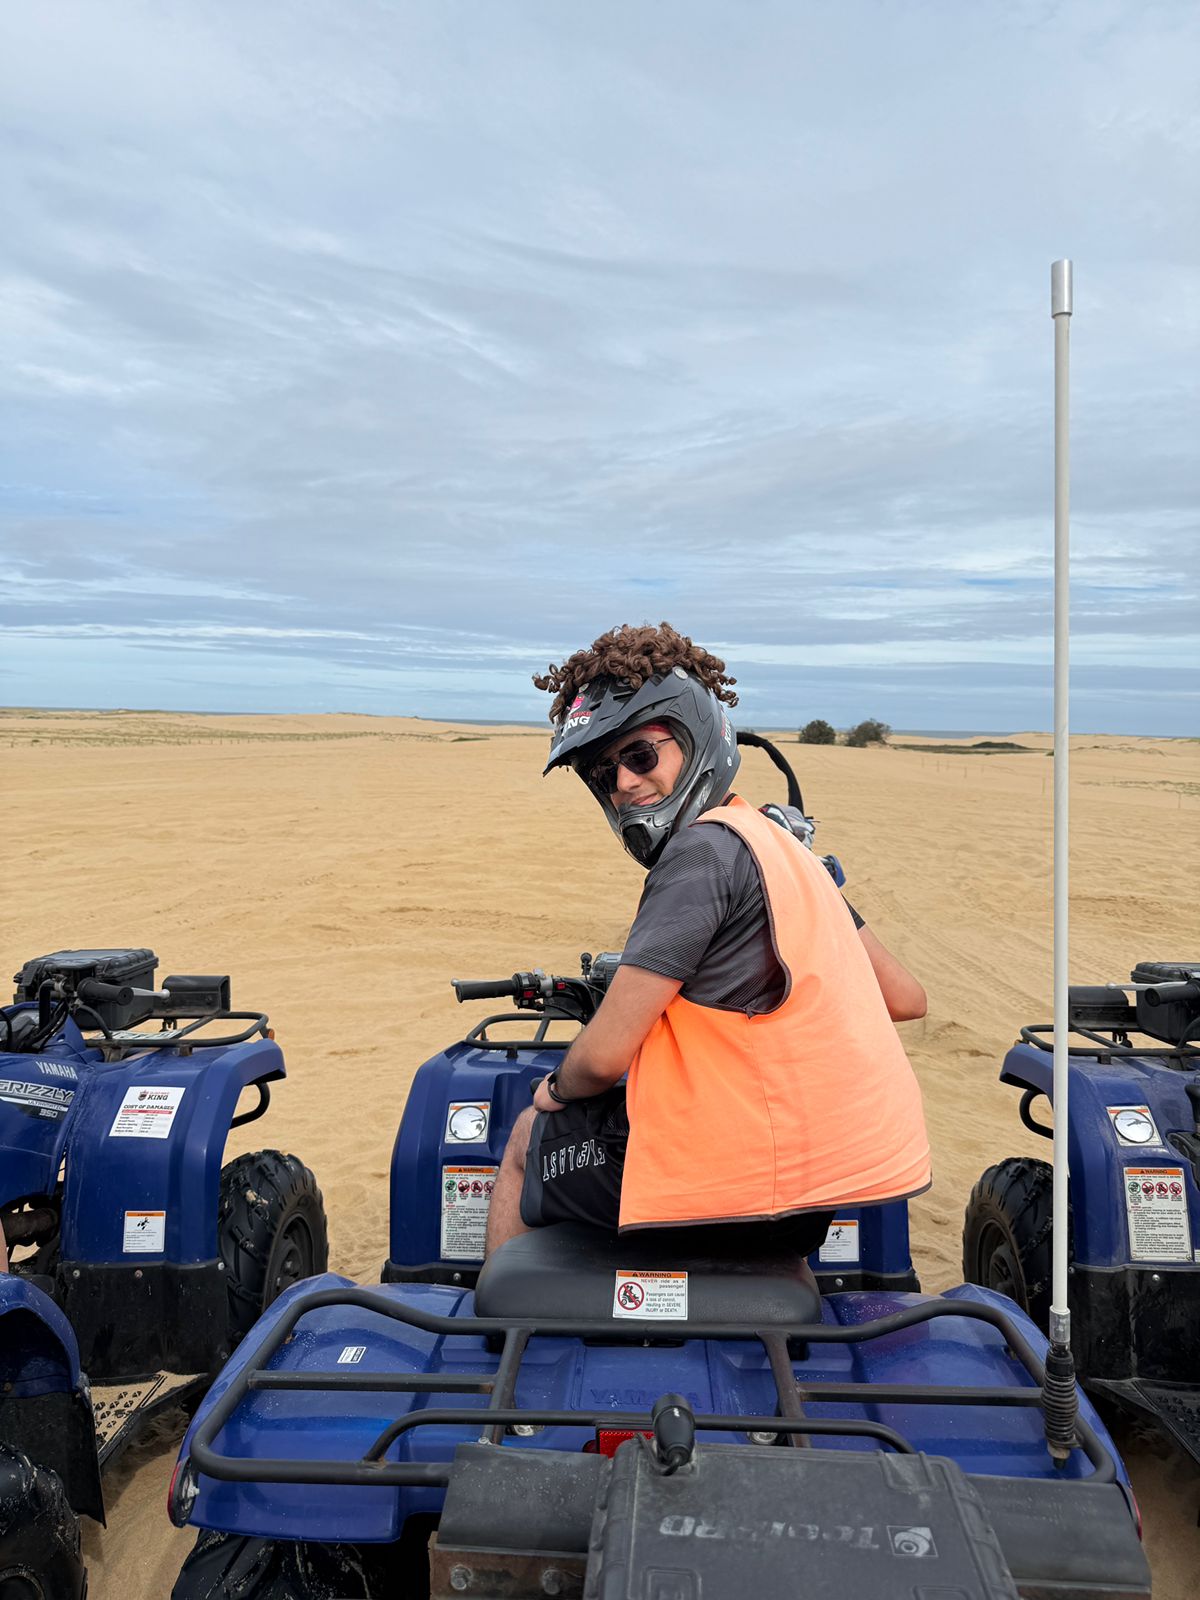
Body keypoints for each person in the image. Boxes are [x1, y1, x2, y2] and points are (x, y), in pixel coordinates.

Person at [485, 622, 930, 1256]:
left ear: (696, 740)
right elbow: (905, 997)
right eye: (602, 773)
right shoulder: (781, 845)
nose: (624, 785)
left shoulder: (699, 854)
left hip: (731, 1177)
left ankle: (501, 1339)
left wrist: (554, 1088)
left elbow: (604, 1057)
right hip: (821, 1180)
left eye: (640, 756)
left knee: (531, 1138)